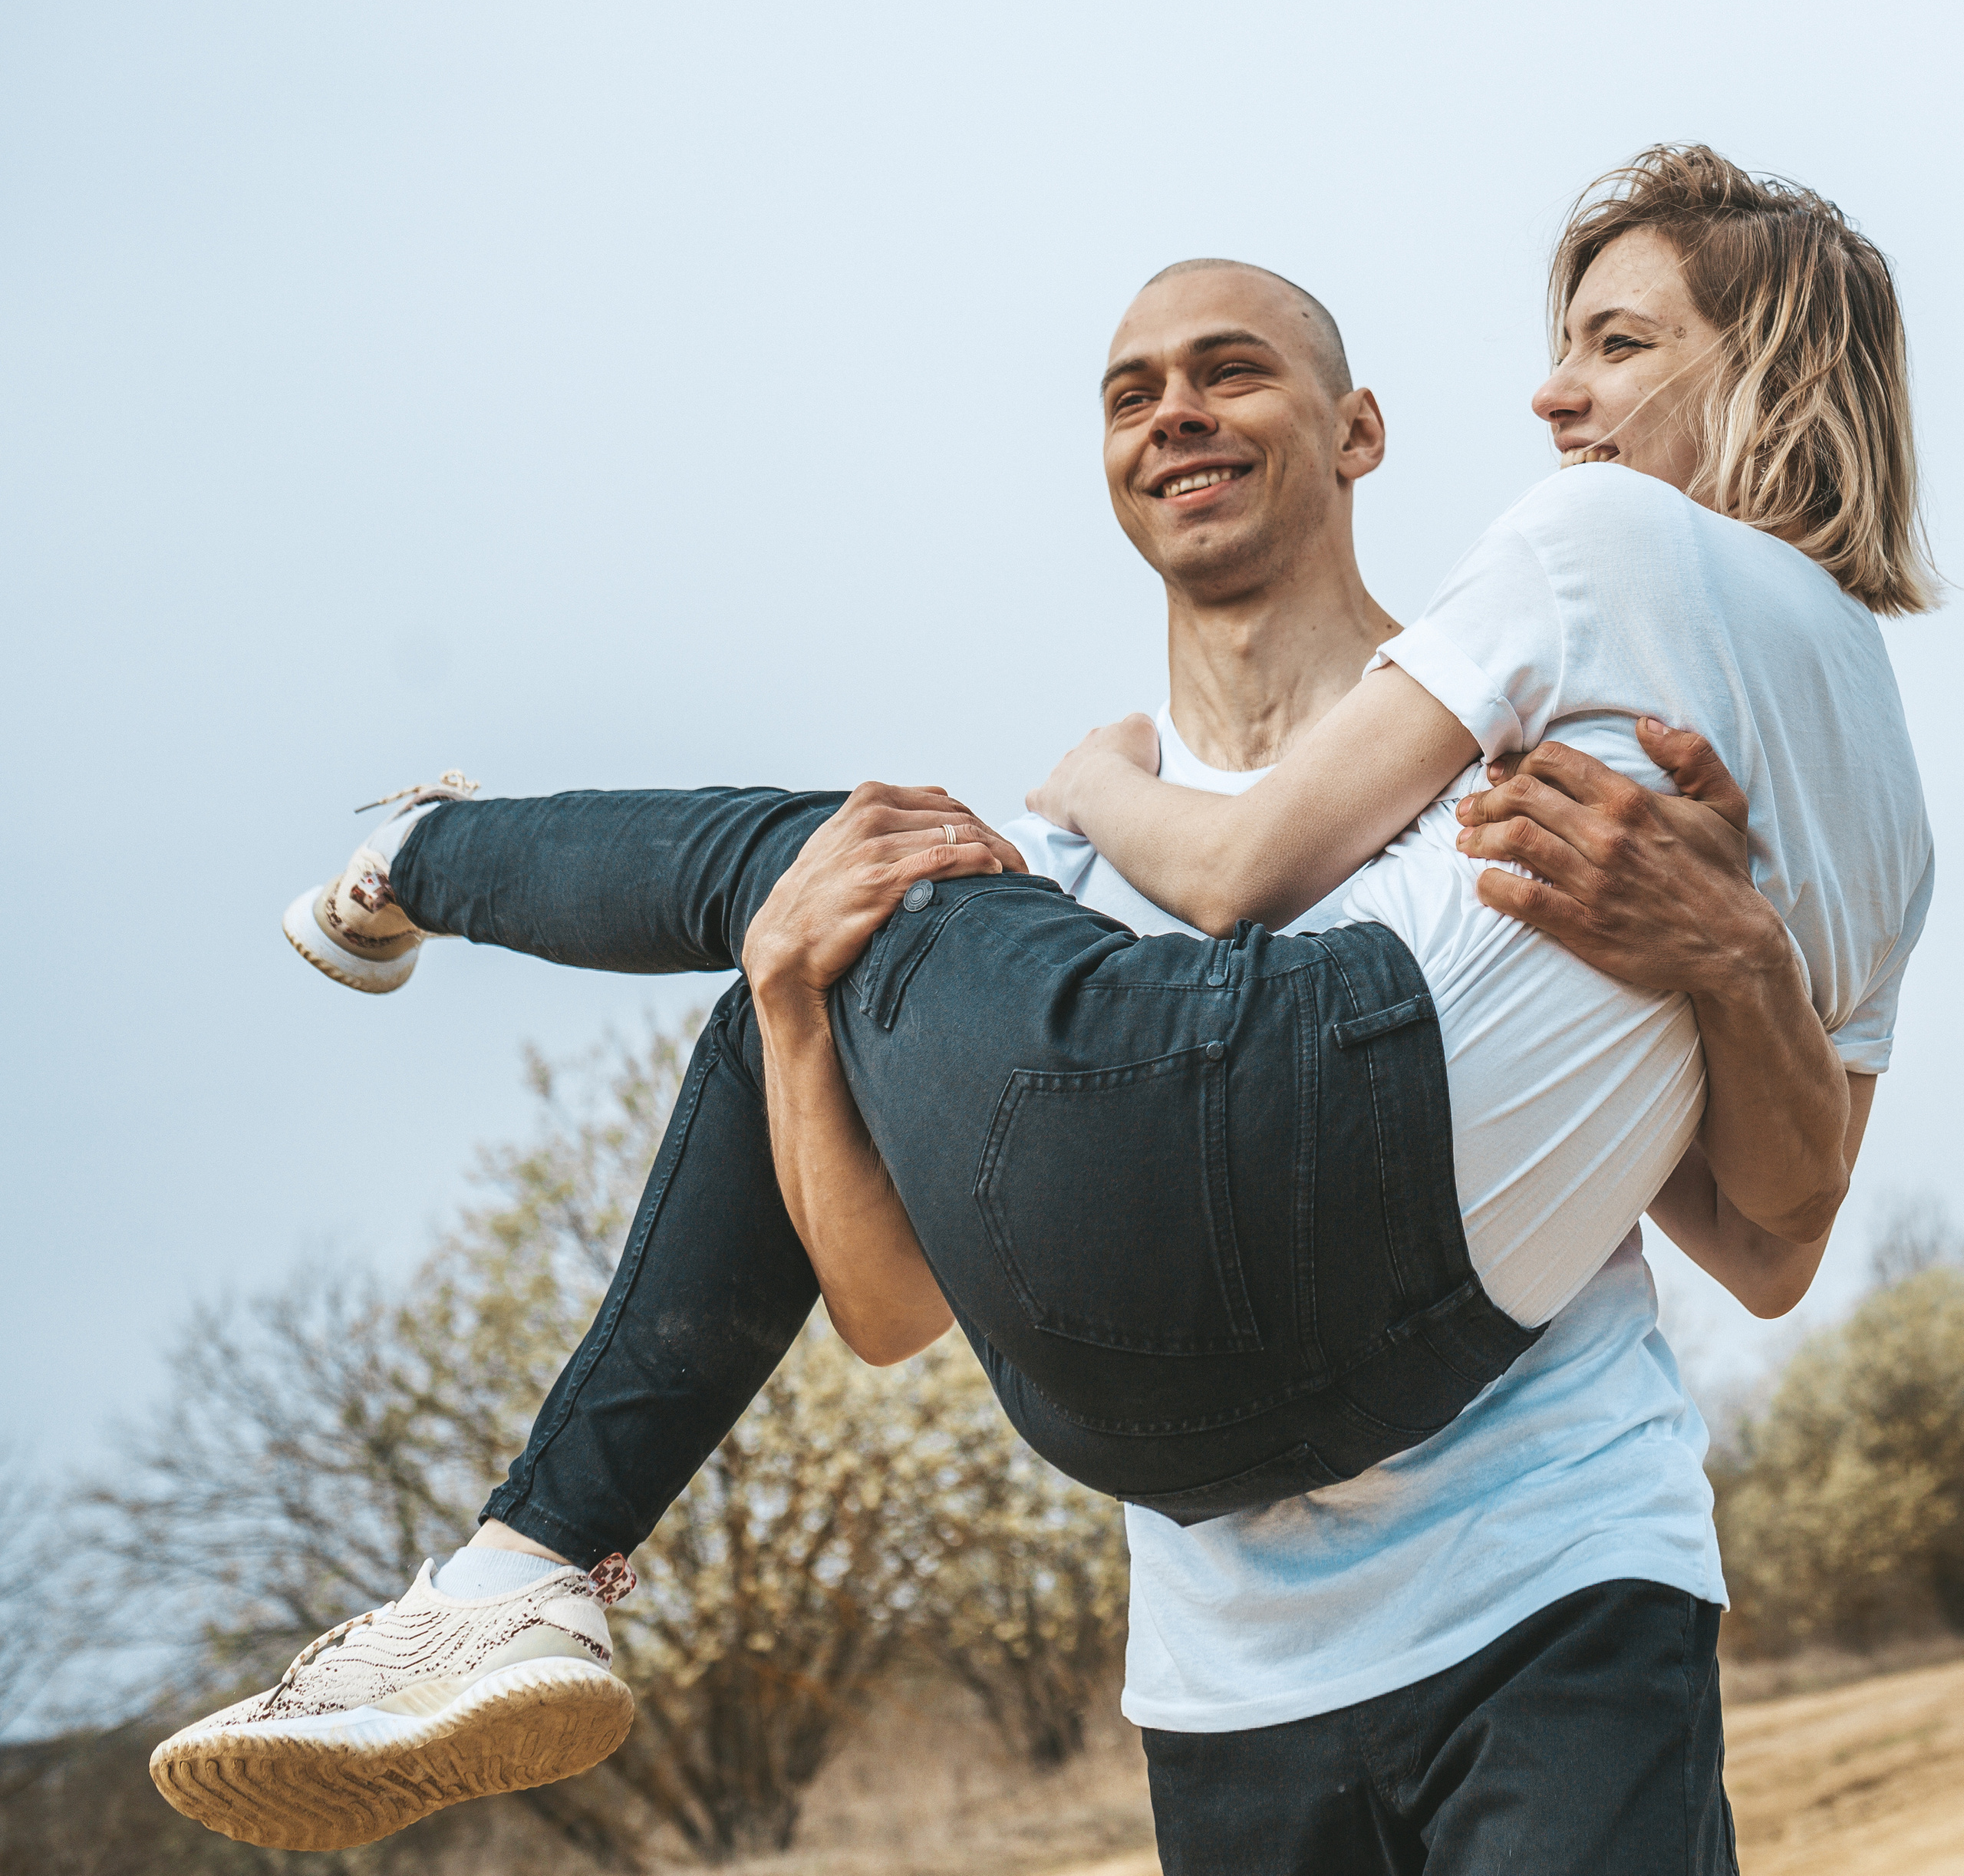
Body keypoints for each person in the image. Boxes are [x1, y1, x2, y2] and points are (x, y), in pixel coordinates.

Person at [153, 147, 1934, 1870]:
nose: (1555, 399)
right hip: (1226, 1634)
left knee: (839, 856)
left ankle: (428, 863)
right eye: (1130, 391)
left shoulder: (1558, 704)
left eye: (1230, 372)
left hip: (1546, 1562)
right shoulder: (1078, 917)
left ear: (1354, 435)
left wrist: (1721, 958)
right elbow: (891, 1308)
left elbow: (1760, 1244)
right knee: (822, 911)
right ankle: (516, 1568)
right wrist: (788, 1014)